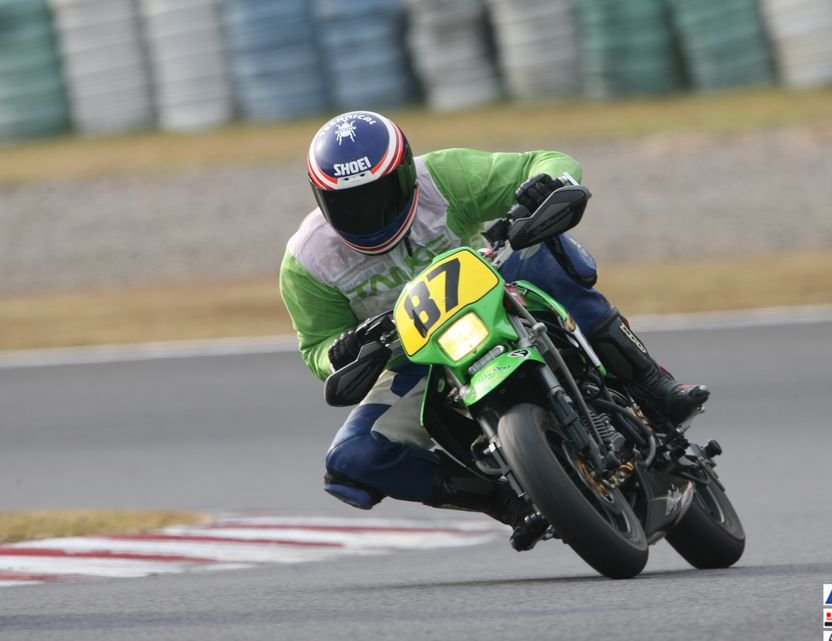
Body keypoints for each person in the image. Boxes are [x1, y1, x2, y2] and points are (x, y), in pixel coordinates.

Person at [280, 111, 708, 550]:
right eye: (348, 204)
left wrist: (544, 183)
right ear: (320, 197)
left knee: (542, 249)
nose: (367, 213)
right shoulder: (307, 261)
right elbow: (317, 348)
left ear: (405, 174)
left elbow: (548, 161)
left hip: (496, 296)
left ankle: (653, 385)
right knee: (351, 459)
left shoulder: (443, 178)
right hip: (417, 359)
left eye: (378, 196)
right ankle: (508, 501)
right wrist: (342, 351)